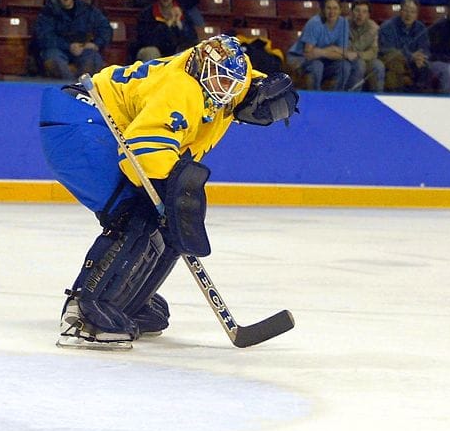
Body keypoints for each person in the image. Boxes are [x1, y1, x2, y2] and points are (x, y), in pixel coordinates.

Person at [38, 35, 299, 346]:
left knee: (165, 224)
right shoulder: (183, 87)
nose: (224, 89)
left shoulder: (221, 83)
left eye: (232, 83)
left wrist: (263, 91)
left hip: (93, 123)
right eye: (219, 80)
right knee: (136, 214)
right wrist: (169, 191)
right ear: (200, 69)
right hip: (80, 121)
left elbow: (238, 79)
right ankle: (87, 311)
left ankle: (125, 297)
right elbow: (145, 148)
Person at [34, 0, 112, 80]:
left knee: (93, 59)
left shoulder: (87, 10)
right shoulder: (47, 12)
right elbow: (43, 37)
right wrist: (68, 46)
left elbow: (105, 28)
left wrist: (96, 44)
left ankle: (83, 90)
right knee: (53, 60)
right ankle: (70, 89)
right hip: (57, 49)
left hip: (82, 48)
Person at [286, 0, 352, 90]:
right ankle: (315, 98)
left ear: (340, 10)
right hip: (300, 57)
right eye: (328, 8)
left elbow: (343, 53)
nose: (332, 12)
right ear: (323, 10)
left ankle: (336, 97)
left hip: (323, 59)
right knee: (317, 66)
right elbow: (309, 53)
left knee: (345, 66)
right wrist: (332, 49)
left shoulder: (344, 23)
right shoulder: (314, 23)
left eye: (335, 8)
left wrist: (321, 52)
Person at [131, 0, 197, 62]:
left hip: (174, 53)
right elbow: (147, 40)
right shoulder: (147, 14)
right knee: (151, 52)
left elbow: (192, 39)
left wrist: (179, 24)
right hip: (150, 50)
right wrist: (167, 25)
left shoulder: (183, 14)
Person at [378, 0, 431, 93]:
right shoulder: (388, 26)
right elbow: (388, 50)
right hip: (393, 63)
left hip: (414, 63)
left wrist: (420, 58)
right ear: (400, 11)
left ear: (417, 14)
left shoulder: (421, 28)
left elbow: (425, 49)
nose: (409, 15)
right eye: (406, 11)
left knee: (425, 68)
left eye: (412, 12)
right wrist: (410, 56)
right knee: (395, 63)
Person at [345, 0, 385, 92]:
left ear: (368, 15)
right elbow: (345, 48)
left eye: (364, 12)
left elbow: (373, 52)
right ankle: (353, 98)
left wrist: (358, 54)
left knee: (378, 66)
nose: (360, 15)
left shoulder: (374, 28)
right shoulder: (343, 25)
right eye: (357, 11)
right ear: (351, 12)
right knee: (359, 64)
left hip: (367, 59)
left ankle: (378, 98)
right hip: (346, 58)